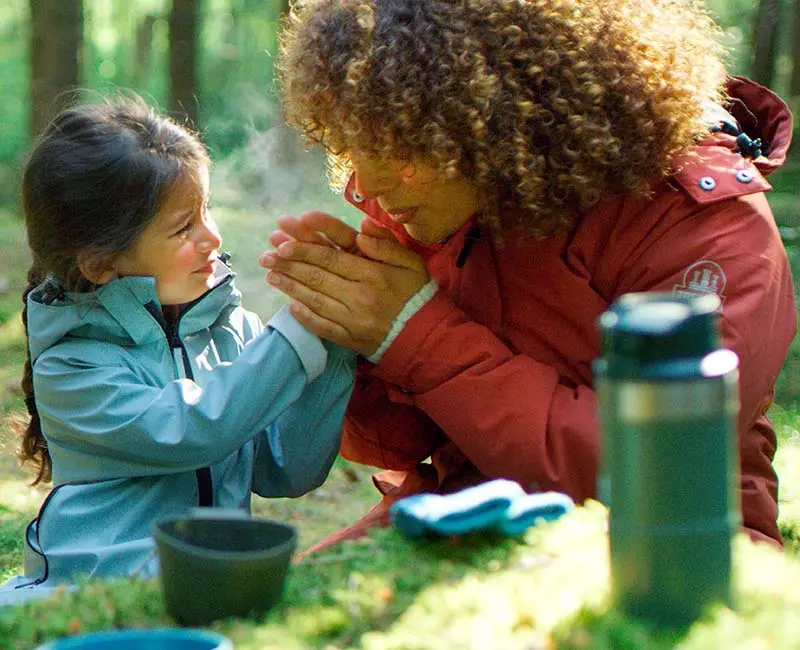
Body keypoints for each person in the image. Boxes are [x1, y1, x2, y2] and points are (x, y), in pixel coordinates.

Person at [259, 0, 796, 555]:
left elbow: (648, 467)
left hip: (671, 545)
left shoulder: (698, 223)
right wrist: (353, 341)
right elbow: (392, 445)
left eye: (397, 150)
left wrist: (412, 333)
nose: (366, 185)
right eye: (352, 148)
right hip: (462, 514)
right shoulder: (441, 195)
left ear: (502, 112)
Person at [0, 97, 355, 604]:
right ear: (103, 264)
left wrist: (335, 333)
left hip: (199, 589)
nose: (212, 236)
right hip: (88, 595)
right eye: (183, 226)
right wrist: (299, 329)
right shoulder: (71, 367)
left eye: (205, 211)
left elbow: (286, 468)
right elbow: (195, 429)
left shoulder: (231, 331)